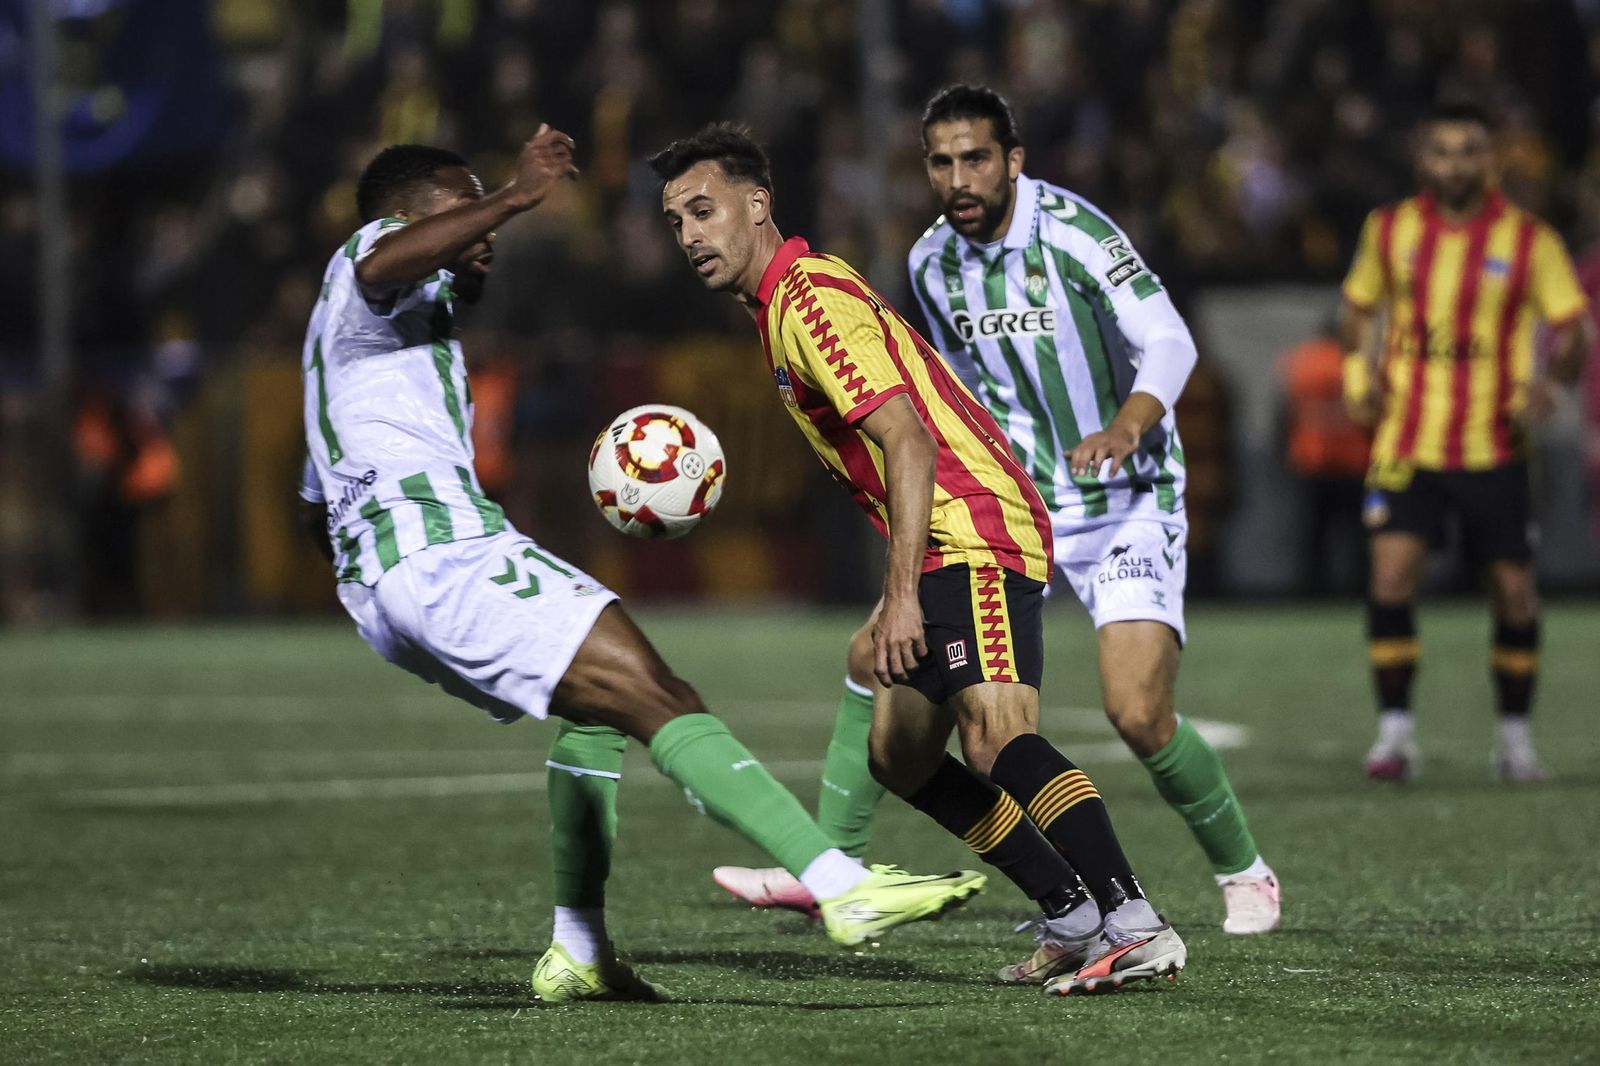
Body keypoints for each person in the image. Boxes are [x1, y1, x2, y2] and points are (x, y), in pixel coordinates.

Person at [296, 130, 987, 1004]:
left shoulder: (353, 351)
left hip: (402, 581)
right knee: (660, 694)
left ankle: (579, 950)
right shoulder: (365, 263)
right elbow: (386, 257)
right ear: (408, 216)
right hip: (441, 556)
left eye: (486, 210)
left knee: (595, 715)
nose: (487, 233)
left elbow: (313, 503)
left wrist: (378, 584)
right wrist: (512, 191)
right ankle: (841, 887)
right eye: (461, 208)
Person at [711, 85, 1281, 945]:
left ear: (1014, 160)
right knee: (881, 665)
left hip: (1123, 493)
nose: (957, 177)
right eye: (939, 161)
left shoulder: (1077, 234)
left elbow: (1168, 338)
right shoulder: (931, 261)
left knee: (1132, 712)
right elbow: (950, 394)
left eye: (975, 157)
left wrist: (1126, 425)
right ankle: (834, 865)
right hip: (1013, 492)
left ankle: (1237, 873)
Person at [652, 122, 1187, 996]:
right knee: (898, 753)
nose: (690, 236)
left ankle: (1134, 920)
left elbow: (906, 440)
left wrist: (901, 592)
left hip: (974, 527)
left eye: (704, 212)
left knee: (996, 736)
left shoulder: (809, 298)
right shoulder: (778, 312)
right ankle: (1071, 913)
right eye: (676, 222)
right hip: (945, 537)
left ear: (757, 207)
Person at [1340, 101, 1592, 782]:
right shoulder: (1388, 230)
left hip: (1495, 445)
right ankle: (1394, 736)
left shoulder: (1528, 239)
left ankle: (1513, 741)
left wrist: (1553, 381)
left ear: (1492, 158)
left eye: (1470, 150)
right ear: (1424, 159)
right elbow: (1358, 308)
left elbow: (1573, 328)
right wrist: (1358, 373)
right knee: (1391, 578)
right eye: (1443, 150)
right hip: (1406, 441)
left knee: (1514, 592)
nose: (1456, 164)